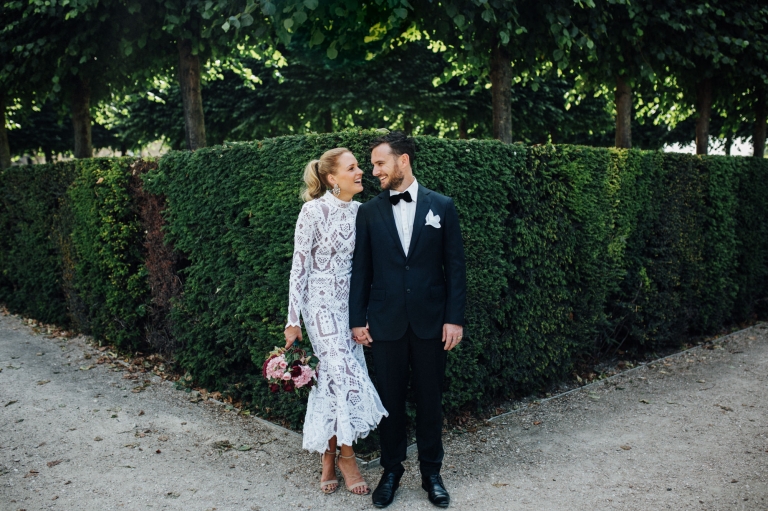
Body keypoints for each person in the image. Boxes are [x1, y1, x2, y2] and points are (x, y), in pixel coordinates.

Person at [349, 131, 467, 508]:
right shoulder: (368, 212)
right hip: (384, 323)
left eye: (379, 163)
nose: (373, 171)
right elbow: (361, 271)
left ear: (403, 161)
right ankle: (392, 470)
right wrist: (357, 318)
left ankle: (432, 473)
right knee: (390, 401)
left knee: (431, 400)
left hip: (433, 322)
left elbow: (456, 268)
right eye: (371, 165)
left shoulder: (442, 206)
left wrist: (454, 318)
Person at [284, 147, 388, 496]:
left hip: (350, 309)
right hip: (319, 306)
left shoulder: (362, 212)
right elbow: (299, 266)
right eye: (353, 167)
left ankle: (328, 456)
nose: (361, 172)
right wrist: (292, 320)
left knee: (330, 381)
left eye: (360, 166)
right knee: (341, 372)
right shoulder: (312, 211)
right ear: (332, 178)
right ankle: (347, 457)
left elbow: (367, 270)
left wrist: (366, 314)